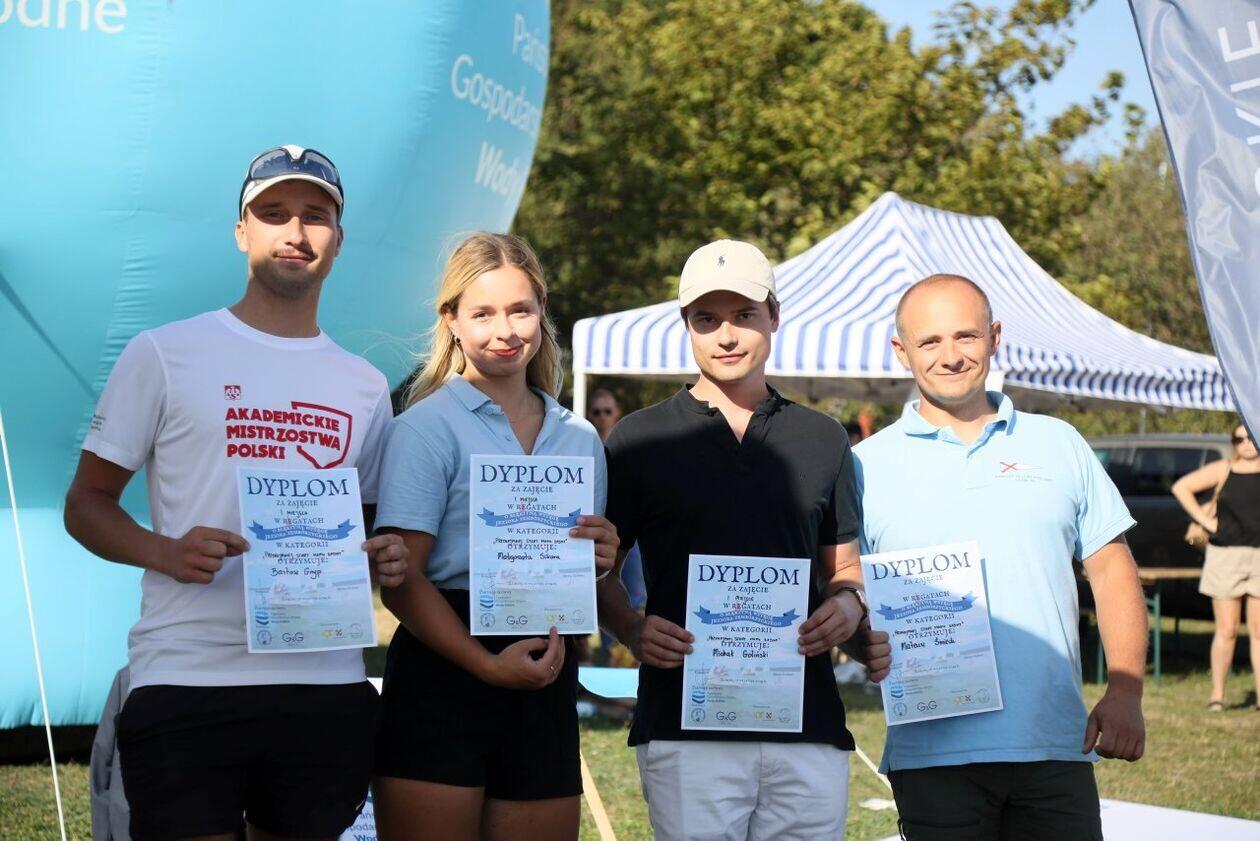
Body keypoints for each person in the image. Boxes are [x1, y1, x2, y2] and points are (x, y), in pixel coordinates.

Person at [63, 144, 409, 841]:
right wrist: (164, 551)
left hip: (325, 685)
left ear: (338, 241)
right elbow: (86, 504)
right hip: (186, 676)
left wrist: (385, 556)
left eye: (315, 216)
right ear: (241, 231)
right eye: (273, 212)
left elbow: (370, 527)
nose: (295, 231)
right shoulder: (165, 352)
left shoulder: (366, 385)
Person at [596, 239, 889, 841]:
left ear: (774, 316)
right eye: (707, 319)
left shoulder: (824, 439)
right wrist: (629, 626)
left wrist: (847, 606)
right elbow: (598, 570)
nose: (726, 336)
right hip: (684, 727)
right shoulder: (637, 439)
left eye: (744, 315)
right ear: (686, 325)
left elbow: (844, 570)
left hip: (807, 727)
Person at [853, 274, 1148, 840]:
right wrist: (861, 643)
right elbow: (849, 591)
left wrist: (1126, 690)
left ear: (994, 337)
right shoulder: (863, 465)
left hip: (1054, 744)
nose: (950, 356)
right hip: (931, 754)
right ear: (902, 351)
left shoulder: (1058, 442)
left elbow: (1111, 569)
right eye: (930, 341)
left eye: (965, 336)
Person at [370, 232, 620, 841]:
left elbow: (577, 573)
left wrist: (600, 559)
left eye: (519, 310)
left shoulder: (579, 437)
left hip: (543, 674)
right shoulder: (423, 428)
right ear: (451, 320)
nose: (504, 330)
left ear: (542, 312)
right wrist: (484, 664)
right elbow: (402, 584)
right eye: (482, 313)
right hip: (443, 670)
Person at [1172, 421, 1260, 711]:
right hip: (1225, 556)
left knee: (1258, 631)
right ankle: (1217, 696)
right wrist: (1206, 521)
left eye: (1251, 437)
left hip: (1258, 557)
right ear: (1233, 443)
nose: (1246, 444)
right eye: (1239, 439)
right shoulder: (1224, 469)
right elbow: (1181, 487)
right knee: (1227, 628)